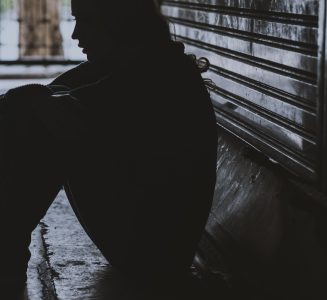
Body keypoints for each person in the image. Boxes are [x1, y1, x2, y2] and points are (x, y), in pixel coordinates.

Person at [0, 0, 217, 298]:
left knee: (48, 118)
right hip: (145, 243)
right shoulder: (128, 66)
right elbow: (25, 103)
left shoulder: (158, 74)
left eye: (85, 21)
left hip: (154, 254)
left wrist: (31, 104)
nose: (76, 34)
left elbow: (31, 106)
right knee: (45, 110)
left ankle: (6, 250)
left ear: (117, 22)